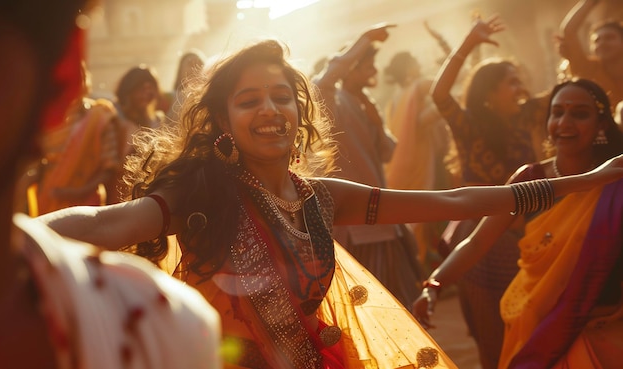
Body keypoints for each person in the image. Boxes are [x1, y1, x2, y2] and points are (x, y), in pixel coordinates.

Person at [38, 36, 623, 368]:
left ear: (299, 112)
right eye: (248, 101)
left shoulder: (323, 199)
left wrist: (577, 183)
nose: (269, 110)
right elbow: (106, 221)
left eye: (280, 97)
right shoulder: (203, 193)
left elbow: (456, 198)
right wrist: (18, 236)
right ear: (222, 119)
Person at [0, 1, 221, 368]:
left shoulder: (161, 336)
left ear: (60, 81)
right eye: (249, 100)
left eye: (280, 98)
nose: (147, 96)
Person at [414, 78, 623, 369]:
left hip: (607, 333)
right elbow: (477, 241)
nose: (565, 122)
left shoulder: (617, 181)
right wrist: (434, 284)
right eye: (557, 111)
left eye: (580, 113)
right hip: (539, 331)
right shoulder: (531, 179)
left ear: (602, 123)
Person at [429, 16, 552, 369]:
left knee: (531, 329)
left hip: (523, 241)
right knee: (492, 339)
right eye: (511, 83)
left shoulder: (525, 120)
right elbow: (440, 94)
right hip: (480, 244)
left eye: (519, 81)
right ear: (489, 93)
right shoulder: (469, 127)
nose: (520, 88)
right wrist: (468, 44)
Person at [313, 24, 424, 308]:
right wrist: (364, 40)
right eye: (366, 66)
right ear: (349, 68)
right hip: (360, 228)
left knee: (403, 303)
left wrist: (376, 122)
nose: (373, 73)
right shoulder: (333, 101)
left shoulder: (364, 103)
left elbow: (387, 153)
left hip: (386, 221)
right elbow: (326, 79)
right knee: (373, 307)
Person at [382, 50, 460, 273]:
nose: (419, 64)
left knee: (419, 216)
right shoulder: (417, 87)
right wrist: (445, 105)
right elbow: (444, 88)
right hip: (422, 165)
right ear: (408, 69)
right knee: (430, 214)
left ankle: (425, 267)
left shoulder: (396, 99)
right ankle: (433, 269)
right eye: (415, 61)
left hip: (405, 166)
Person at [24, 62, 123, 215]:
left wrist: (78, 193)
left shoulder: (99, 116)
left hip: (86, 205)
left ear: (86, 80)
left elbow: (109, 168)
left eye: (79, 77)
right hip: (48, 200)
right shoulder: (49, 117)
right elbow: (39, 161)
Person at [111, 64, 166, 202]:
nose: (146, 94)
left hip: (145, 193)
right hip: (117, 192)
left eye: (150, 90)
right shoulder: (115, 118)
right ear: (129, 91)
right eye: (142, 89)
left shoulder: (156, 120)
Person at [559, 0, 623, 113]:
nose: (602, 43)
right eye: (596, 41)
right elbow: (569, 31)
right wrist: (590, 2)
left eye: (610, 37)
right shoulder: (588, 68)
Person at [167, 49, 207, 123]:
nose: (195, 68)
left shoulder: (208, 100)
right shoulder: (168, 97)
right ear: (180, 69)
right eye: (190, 64)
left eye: (199, 64)